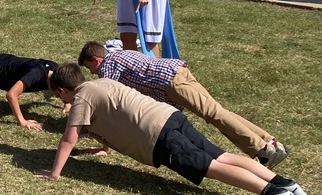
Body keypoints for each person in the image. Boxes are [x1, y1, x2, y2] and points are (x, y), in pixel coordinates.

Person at [38, 64, 307, 195]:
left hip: (158, 136)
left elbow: (69, 138)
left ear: (62, 91)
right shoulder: (100, 82)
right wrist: (104, 147)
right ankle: (284, 184)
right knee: (222, 157)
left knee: (209, 167)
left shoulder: (82, 97)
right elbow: (116, 115)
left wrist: (55, 173)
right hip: (170, 117)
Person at [77, 42, 289, 167]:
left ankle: (261, 149)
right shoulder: (123, 53)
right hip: (178, 70)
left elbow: (107, 98)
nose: (92, 73)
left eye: (90, 68)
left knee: (213, 114)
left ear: (96, 59)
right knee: (217, 110)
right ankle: (270, 142)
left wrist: (94, 132)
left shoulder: (108, 67)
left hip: (170, 82)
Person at [0, 53, 58, 130]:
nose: (57, 96)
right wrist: (22, 121)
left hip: (8, 62)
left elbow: (68, 84)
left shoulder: (58, 71)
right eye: (58, 95)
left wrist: (67, 104)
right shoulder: (36, 74)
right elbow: (11, 95)